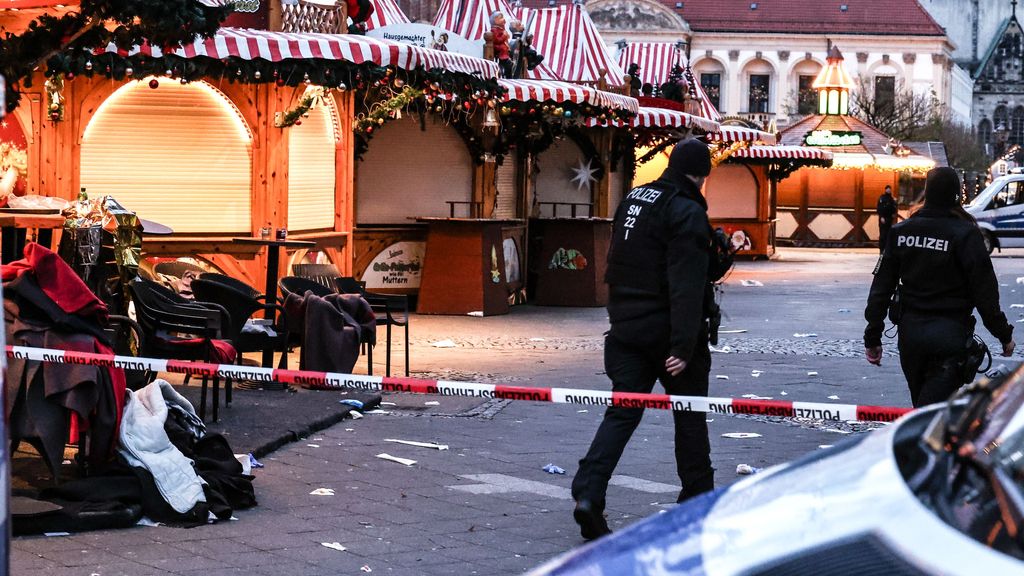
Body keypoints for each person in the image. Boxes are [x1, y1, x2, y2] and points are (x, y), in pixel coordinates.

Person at [571, 139, 719, 541]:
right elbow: (686, 285)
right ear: (701, 175)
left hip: (625, 329)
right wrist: (684, 347)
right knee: (690, 416)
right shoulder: (686, 210)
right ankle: (696, 504)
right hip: (666, 332)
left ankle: (588, 492)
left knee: (623, 412)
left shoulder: (636, 196)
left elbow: (619, 259)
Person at [864, 167, 1016, 407]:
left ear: (927, 193)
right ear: (957, 195)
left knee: (922, 408)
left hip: (910, 335)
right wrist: (1003, 335)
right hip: (950, 336)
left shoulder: (901, 232)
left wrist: (873, 335)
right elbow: (985, 292)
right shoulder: (966, 234)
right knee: (930, 414)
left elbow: (881, 287)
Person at [489, 11, 512, 78]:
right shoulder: (494, 30)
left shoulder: (501, 29)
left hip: (503, 48)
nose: (503, 19)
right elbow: (497, 40)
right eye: (501, 18)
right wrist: (504, 36)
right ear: (495, 20)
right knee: (503, 48)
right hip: (498, 48)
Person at [876, 185, 897, 253]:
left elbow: (894, 208)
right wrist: (881, 216)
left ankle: (887, 249)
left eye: (889, 189)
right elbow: (879, 208)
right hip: (883, 218)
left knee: (888, 234)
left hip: (889, 218)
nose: (888, 190)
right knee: (882, 234)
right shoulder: (882, 198)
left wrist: (893, 214)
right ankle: (881, 249)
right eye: (887, 189)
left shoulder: (892, 199)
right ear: (885, 190)